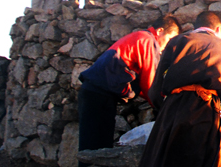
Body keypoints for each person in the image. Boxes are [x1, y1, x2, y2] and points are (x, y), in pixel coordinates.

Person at [138, 11, 221, 167]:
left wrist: (164, 109)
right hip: (205, 112)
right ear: (217, 29)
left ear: (196, 28)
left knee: (161, 159)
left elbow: (155, 90)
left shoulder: (178, 41)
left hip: (172, 110)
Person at [77, 17, 180, 162]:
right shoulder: (147, 40)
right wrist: (163, 108)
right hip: (98, 94)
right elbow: (149, 81)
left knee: (98, 145)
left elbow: (146, 85)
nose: (167, 46)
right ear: (160, 31)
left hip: (98, 92)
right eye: (169, 39)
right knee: (94, 148)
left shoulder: (139, 37)